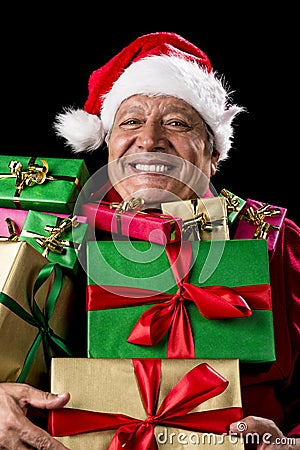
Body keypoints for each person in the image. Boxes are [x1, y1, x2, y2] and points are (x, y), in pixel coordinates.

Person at [0, 31, 299, 450]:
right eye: (130, 121)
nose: (150, 139)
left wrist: (289, 445)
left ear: (213, 156)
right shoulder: (39, 234)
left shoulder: (273, 239)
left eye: (177, 122)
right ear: (107, 147)